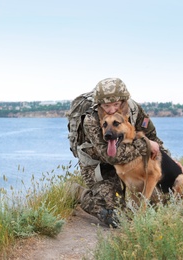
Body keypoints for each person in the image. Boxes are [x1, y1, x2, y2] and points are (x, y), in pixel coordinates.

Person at [69, 77, 169, 228]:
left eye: (116, 104)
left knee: (163, 201)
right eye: (106, 105)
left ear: (123, 102)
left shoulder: (134, 110)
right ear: (99, 104)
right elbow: (113, 156)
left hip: (129, 164)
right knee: (114, 215)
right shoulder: (91, 119)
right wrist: (145, 144)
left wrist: (169, 162)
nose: (111, 110)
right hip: (100, 166)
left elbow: (153, 137)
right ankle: (76, 192)